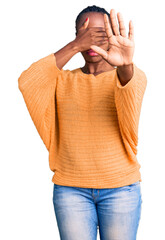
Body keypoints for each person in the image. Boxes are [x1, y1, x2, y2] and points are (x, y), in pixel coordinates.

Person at [18, 5, 147, 240]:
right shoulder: (62, 81)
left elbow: (129, 96)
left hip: (121, 190)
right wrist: (75, 46)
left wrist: (126, 64)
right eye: (86, 33)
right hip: (71, 191)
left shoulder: (127, 76)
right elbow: (28, 81)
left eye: (101, 33)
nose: (93, 40)